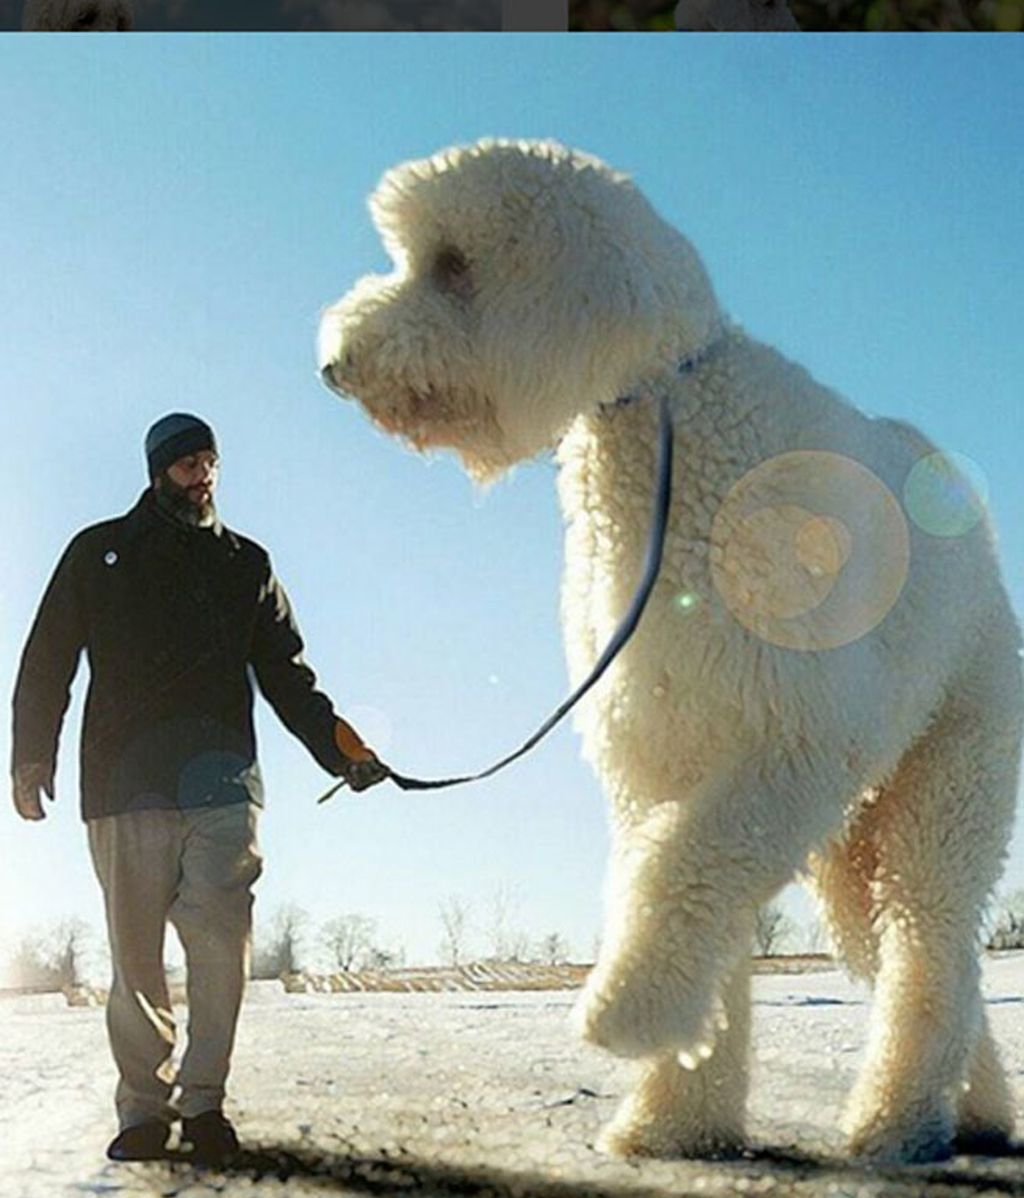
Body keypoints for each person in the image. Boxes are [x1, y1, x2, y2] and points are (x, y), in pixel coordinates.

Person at [10, 413, 389, 1165]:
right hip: (124, 789)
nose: (202, 475)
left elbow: (288, 674)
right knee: (136, 961)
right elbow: (47, 659)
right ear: (157, 472)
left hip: (223, 789)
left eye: (210, 461)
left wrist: (343, 749)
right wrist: (30, 758)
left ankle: (205, 1103)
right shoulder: (99, 553)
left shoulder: (245, 563)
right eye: (187, 463)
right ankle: (142, 1112)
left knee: (220, 953)